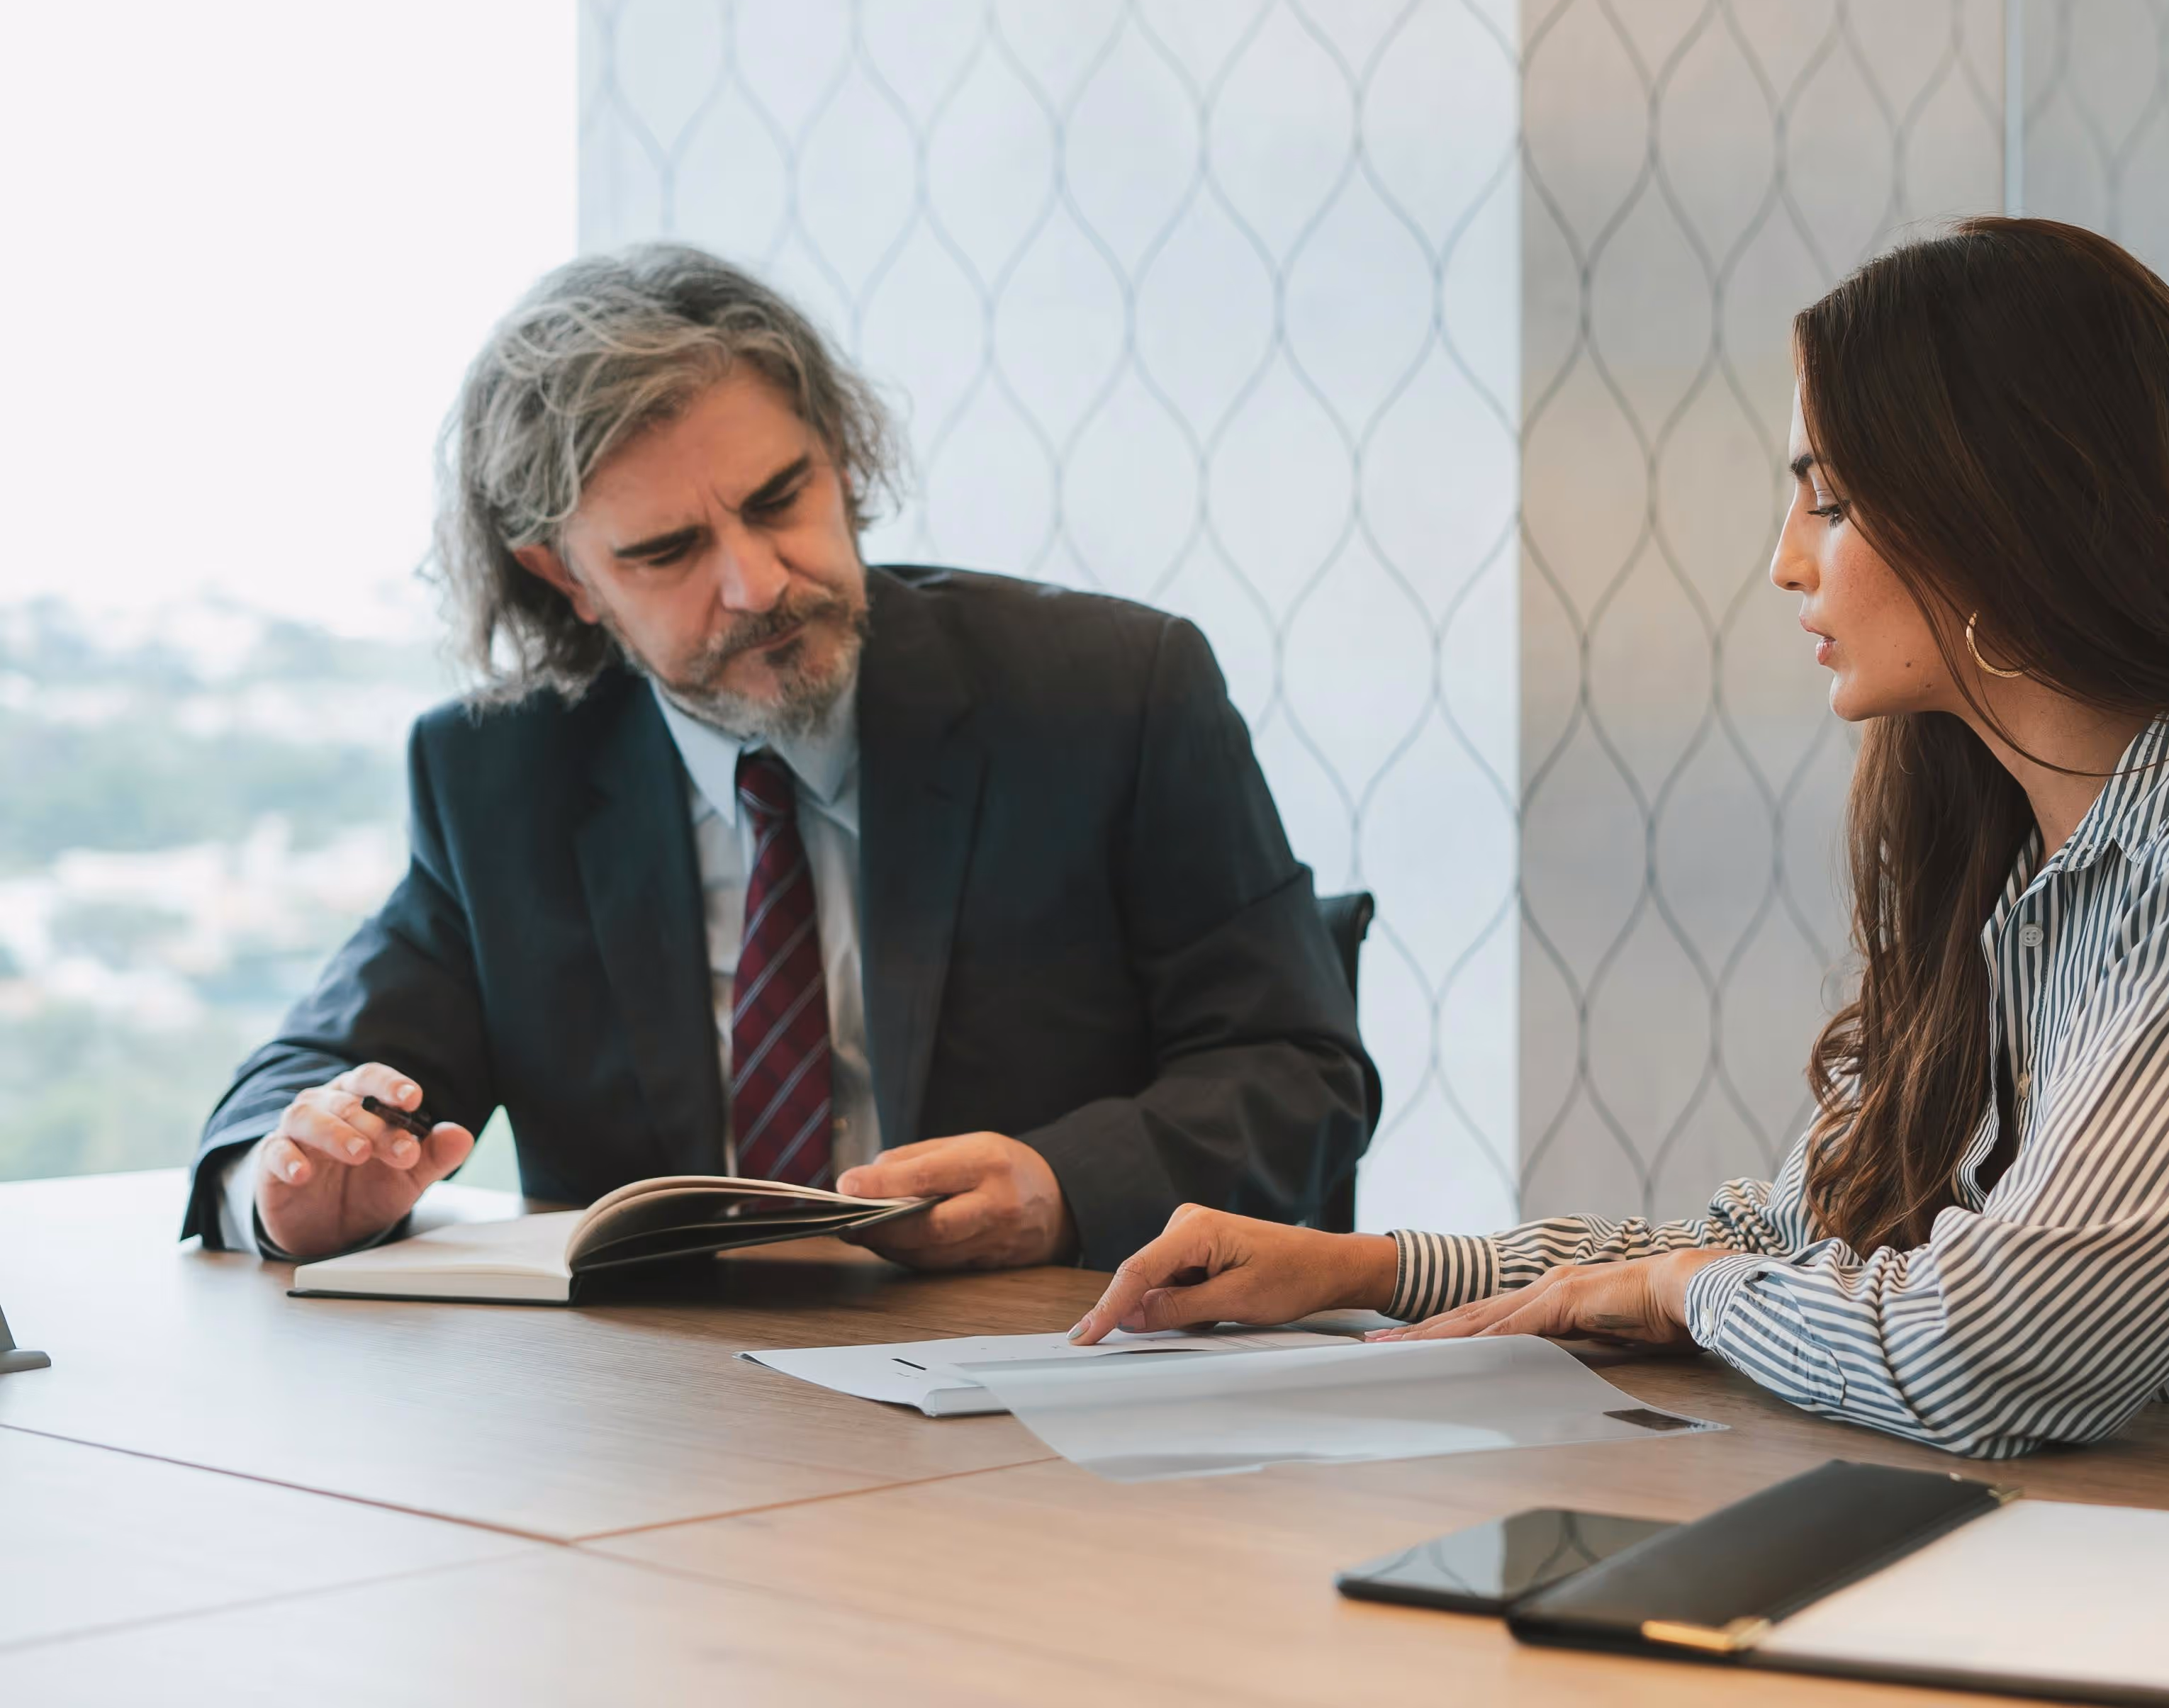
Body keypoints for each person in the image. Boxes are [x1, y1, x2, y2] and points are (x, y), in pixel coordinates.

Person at [1072, 217, 2169, 1461]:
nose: (1787, 562)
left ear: (2006, 511)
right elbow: (1790, 1242)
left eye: (1833, 499)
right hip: (2084, 1542)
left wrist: (1693, 1288)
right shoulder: (2009, 846)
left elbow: (2003, 1348)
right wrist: (1371, 1270)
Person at [186, 245, 1376, 1269]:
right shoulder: (506, 778)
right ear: (568, 578)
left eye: (779, 498)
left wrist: (1065, 1187)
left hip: (1047, 1383)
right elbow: (324, 1072)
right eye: (667, 551)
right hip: (668, 1426)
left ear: (841, 462)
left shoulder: (1110, 693)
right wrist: (285, 1185)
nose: (757, 582)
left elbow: (1298, 1072)